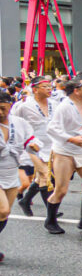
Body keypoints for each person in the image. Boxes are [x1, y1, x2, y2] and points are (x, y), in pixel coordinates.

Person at [45, 76, 82, 235]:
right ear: (76, 91)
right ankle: (50, 221)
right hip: (65, 152)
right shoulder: (64, 107)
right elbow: (52, 129)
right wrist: (71, 139)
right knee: (61, 190)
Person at [0, 91, 40, 263]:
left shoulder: (20, 123)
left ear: (10, 104)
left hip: (11, 171)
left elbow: (31, 141)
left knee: (3, 215)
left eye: (3, 108)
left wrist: (35, 145)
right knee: (3, 210)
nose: (1, 112)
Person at [12, 77, 54, 217]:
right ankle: (51, 214)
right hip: (30, 146)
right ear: (35, 89)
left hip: (50, 145)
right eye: (45, 86)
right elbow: (14, 121)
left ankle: (25, 200)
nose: (49, 88)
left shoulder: (55, 104)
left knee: (41, 178)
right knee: (45, 176)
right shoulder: (24, 106)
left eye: (50, 86)